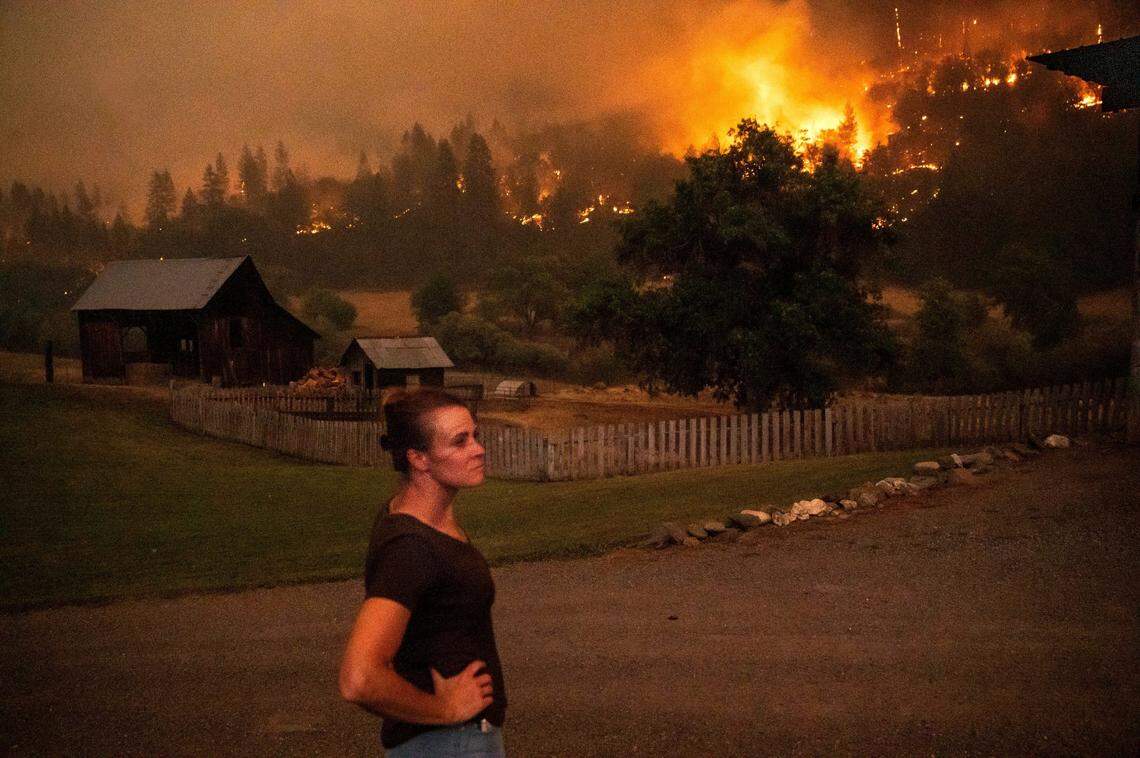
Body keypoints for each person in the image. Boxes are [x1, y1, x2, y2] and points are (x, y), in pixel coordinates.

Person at [339, 387, 507, 756]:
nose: (478, 449)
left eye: (474, 436)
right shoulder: (412, 548)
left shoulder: (425, 520)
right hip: (450, 743)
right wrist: (443, 709)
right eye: (459, 441)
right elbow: (359, 678)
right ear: (419, 458)